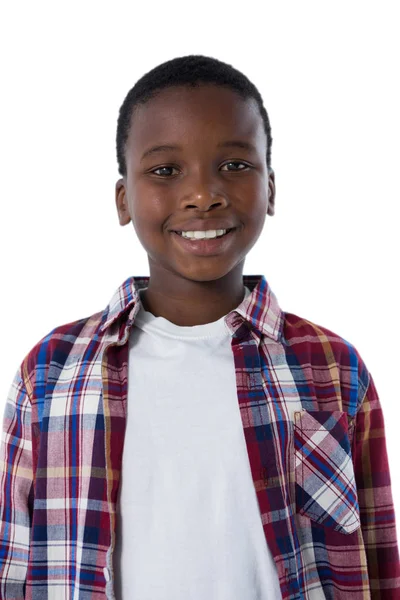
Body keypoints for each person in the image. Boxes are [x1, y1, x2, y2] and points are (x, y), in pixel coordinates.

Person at [0, 54, 399, 600]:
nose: (203, 194)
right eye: (166, 171)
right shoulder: (51, 371)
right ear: (123, 199)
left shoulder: (333, 367)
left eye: (234, 165)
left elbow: (378, 557)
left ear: (272, 188)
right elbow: (13, 560)